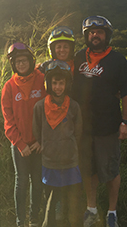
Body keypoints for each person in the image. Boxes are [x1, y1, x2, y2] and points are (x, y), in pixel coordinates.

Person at [72, 16, 127, 227]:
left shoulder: (118, 60)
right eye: (91, 32)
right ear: (86, 36)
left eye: (99, 32)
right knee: (88, 169)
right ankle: (91, 210)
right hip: (83, 127)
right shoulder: (79, 57)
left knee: (110, 171)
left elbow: (126, 93)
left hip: (108, 126)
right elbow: (61, 76)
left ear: (107, 35)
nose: (95, 35)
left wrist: (126, 121)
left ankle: (112, 213)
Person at [33, 60, 84, 227]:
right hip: (50, 160)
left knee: (72, 195)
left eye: (61, 83)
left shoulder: (74, 106)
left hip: (70, 159)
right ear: (48, 84)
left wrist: (70, 147)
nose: (58, 87)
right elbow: (36, 129)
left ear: (67, 84)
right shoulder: (40, 107)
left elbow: (78, 132)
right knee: (52, 198)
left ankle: (72, 222)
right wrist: (42, 144)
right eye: (54, 83)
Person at [1, 42, 47, 227]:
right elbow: (8, 120)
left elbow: (50, 111)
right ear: (13, 65)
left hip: (38, 144)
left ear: (31, 60)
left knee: (37, 182)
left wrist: (42, 140)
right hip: (20, 145)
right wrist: (19, 144)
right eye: (17, 61)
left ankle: (34, 219)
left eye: (24, 60)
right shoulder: (9, 87)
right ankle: (20, 221)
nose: (21, 64)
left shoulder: (42, 80)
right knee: (21, 182)